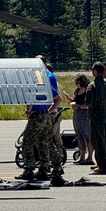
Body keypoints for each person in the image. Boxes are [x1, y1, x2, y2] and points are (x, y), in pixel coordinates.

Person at [16, 58, 65, 186]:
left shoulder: (33, 82)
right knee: (45, 143)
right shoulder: (45, 82)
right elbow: (58, 99)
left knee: (27, 142)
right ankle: (49, 166)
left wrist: (28, 112)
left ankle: (29, 169)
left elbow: (29, 100)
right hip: (46, 116)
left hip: (36, 116)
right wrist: (49, 111)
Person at [87, 62, 106, 174]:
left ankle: (102, 165)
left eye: (92, 70)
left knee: (98, 140)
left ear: (96, 71)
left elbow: (89, 101)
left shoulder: (92, 85)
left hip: (97, 115)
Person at [65, 73, 93, 164]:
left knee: (88, 136)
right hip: (76, 114)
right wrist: (70, 99)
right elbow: (75, 101)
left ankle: (89, 157)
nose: (77, 84)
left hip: (85, 114)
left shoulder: (88, 91)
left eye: (78, 82)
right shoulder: (77, 91)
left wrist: (79, 106)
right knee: (79, 136)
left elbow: (89, 105)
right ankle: (81, 157)